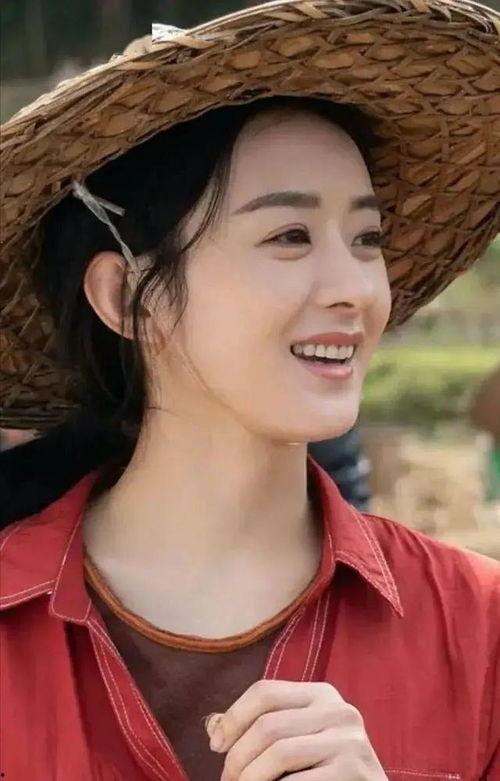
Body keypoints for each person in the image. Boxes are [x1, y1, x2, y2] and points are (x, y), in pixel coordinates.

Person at [0, 2, 499, 779]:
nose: (356, 289)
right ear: (127, 298)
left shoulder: (478, 630)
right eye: (289, 236)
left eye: (366, 238)